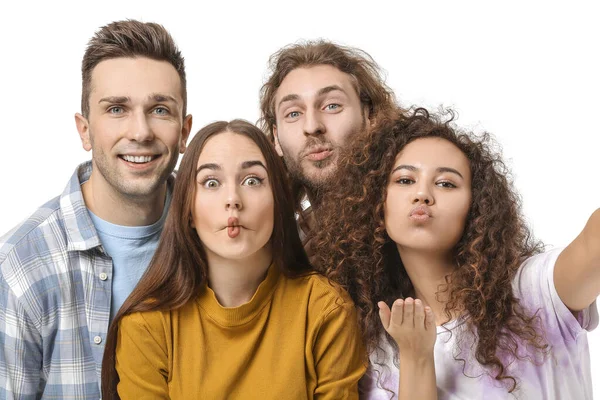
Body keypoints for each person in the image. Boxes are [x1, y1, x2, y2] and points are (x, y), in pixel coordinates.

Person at [314, 108, 599, 399]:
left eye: (446, 183)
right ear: (376, 203)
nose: (422, 194)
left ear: (476, 208)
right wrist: (416, 357)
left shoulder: (532, 294)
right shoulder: (376, 345)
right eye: (404, 180)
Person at [101, 119, 365, 399]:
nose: (233, 199)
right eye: (211, 182)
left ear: (278, 199)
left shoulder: (326, 309)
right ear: (187, 208)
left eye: (252, 180)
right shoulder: (146, 325)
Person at [0, 19, 192, 398]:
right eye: (117, 109)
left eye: (159, 109)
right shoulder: (21, 266)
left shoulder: (219, 238)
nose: (140, 132)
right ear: (84, 130)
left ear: (184, 132)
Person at [258, 40, 400, 253]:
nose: (312, 126)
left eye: (332, 106)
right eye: (293, 113)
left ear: (370, 116)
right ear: (276, 138)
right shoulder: (289, 243)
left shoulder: (406, 217)